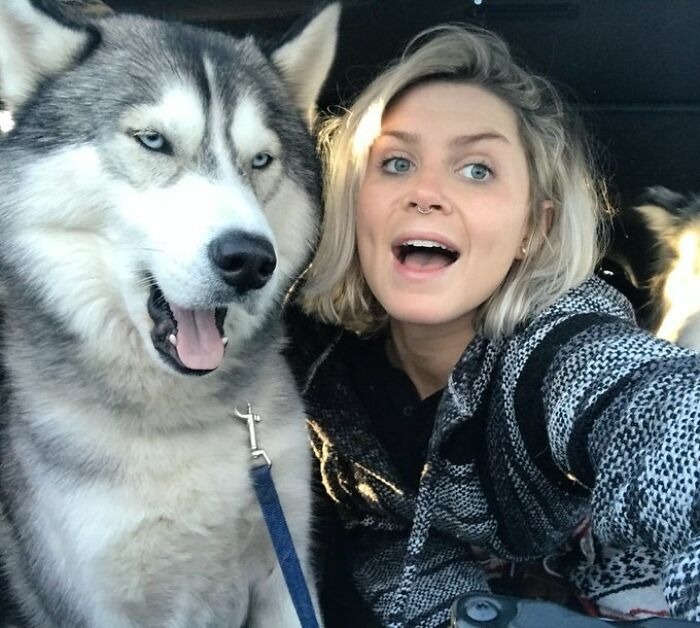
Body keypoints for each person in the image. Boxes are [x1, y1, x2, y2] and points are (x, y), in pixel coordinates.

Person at [286, 24, 700, 628]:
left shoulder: (561, 350)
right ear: (352, 202)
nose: (426, 192)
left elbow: (661, 414)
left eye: (477, 169)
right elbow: (383, 533)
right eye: (396, 162)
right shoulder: (315, 366)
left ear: (534, 227)